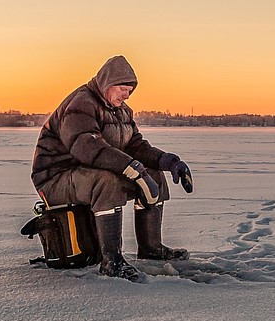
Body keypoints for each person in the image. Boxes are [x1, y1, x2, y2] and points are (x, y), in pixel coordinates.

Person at [31, 55, 194, 282]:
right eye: (122, 89)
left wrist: (169, 161)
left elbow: (136, 146)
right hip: (55, 177)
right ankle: (111, 261)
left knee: (153, 175)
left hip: (85, 172)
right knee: (106, 181)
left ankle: (151, 248)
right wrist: (132, 169)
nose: (126, 95)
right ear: (107, 83)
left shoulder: (122, 111)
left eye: (130, 91)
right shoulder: (81, 104)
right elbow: (86, 147)